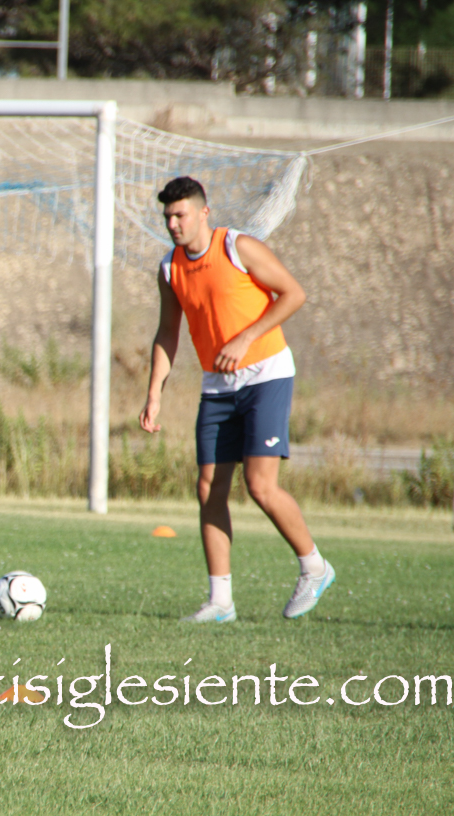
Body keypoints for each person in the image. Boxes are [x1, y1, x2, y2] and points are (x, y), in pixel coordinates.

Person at [139, 177, 334, 623]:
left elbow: (294, 294)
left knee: (260, 486)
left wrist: (246, 337)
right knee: (209, 488)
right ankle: (220, 602)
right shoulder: (169, 269)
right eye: (167, 216)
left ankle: (315, 567)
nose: (173, 224)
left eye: (180, 215)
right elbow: (167, 332)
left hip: (266, 375)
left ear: (203, 213)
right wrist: (154, 394)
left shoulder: (237, 247)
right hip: (217, 386)